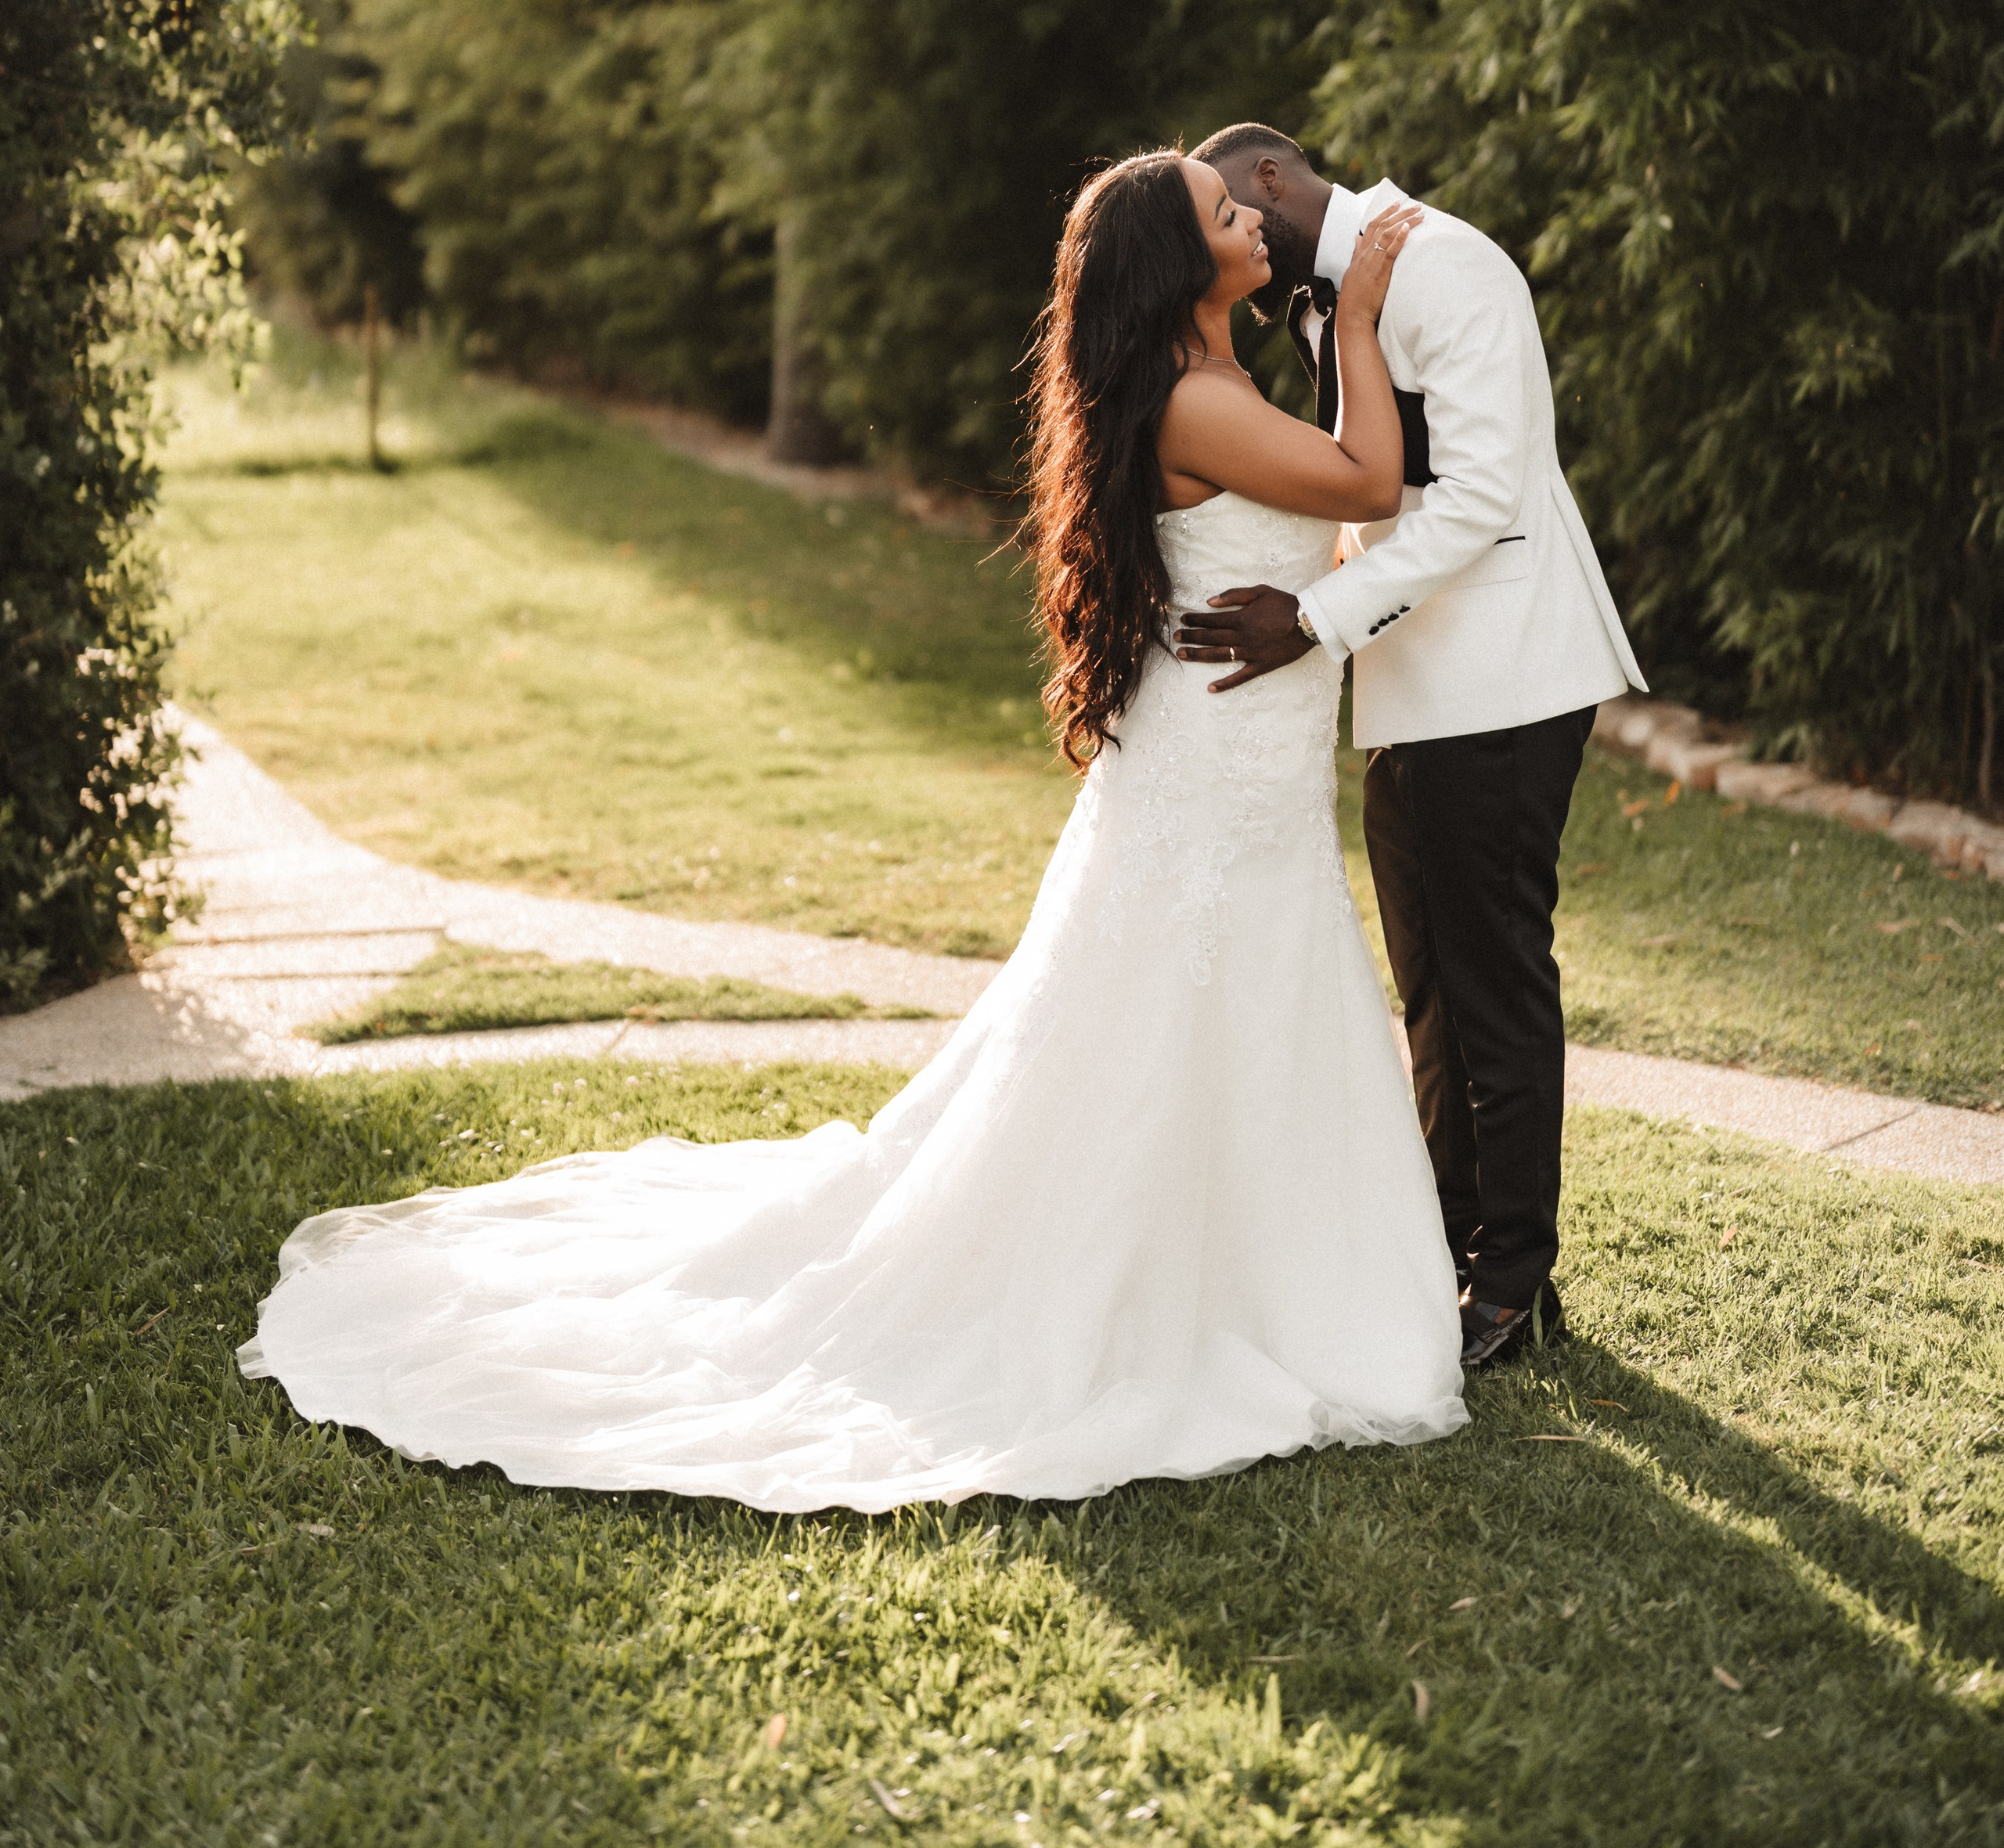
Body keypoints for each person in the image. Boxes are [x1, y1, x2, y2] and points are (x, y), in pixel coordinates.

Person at [237, 151, 1468, 1508]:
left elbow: (1325, 524)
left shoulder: (1218, 387)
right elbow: (1366, 486)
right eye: (1223, 214)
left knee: (1227, 1005)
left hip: (1239, 764)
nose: (1253, 216)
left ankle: (1253, 1269)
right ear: (1180, 271)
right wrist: (1357, 315)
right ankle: (1190, 1288)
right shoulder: (1195, 401)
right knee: (1175, 1015)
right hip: (1217, 780)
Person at [1172, 126, 1645, 1368]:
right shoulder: (1340, 299)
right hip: (1415, 690)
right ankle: (1443, 1252)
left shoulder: (1446, 268)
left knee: (1492, 983)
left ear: (1268, 185)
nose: (1216, 241)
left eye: (1220, 211)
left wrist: (1316, 621)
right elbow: (1377, 483)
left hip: (1503, 680)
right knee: (1433, 991)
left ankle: (1515, 1289)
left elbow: (1485, 497)